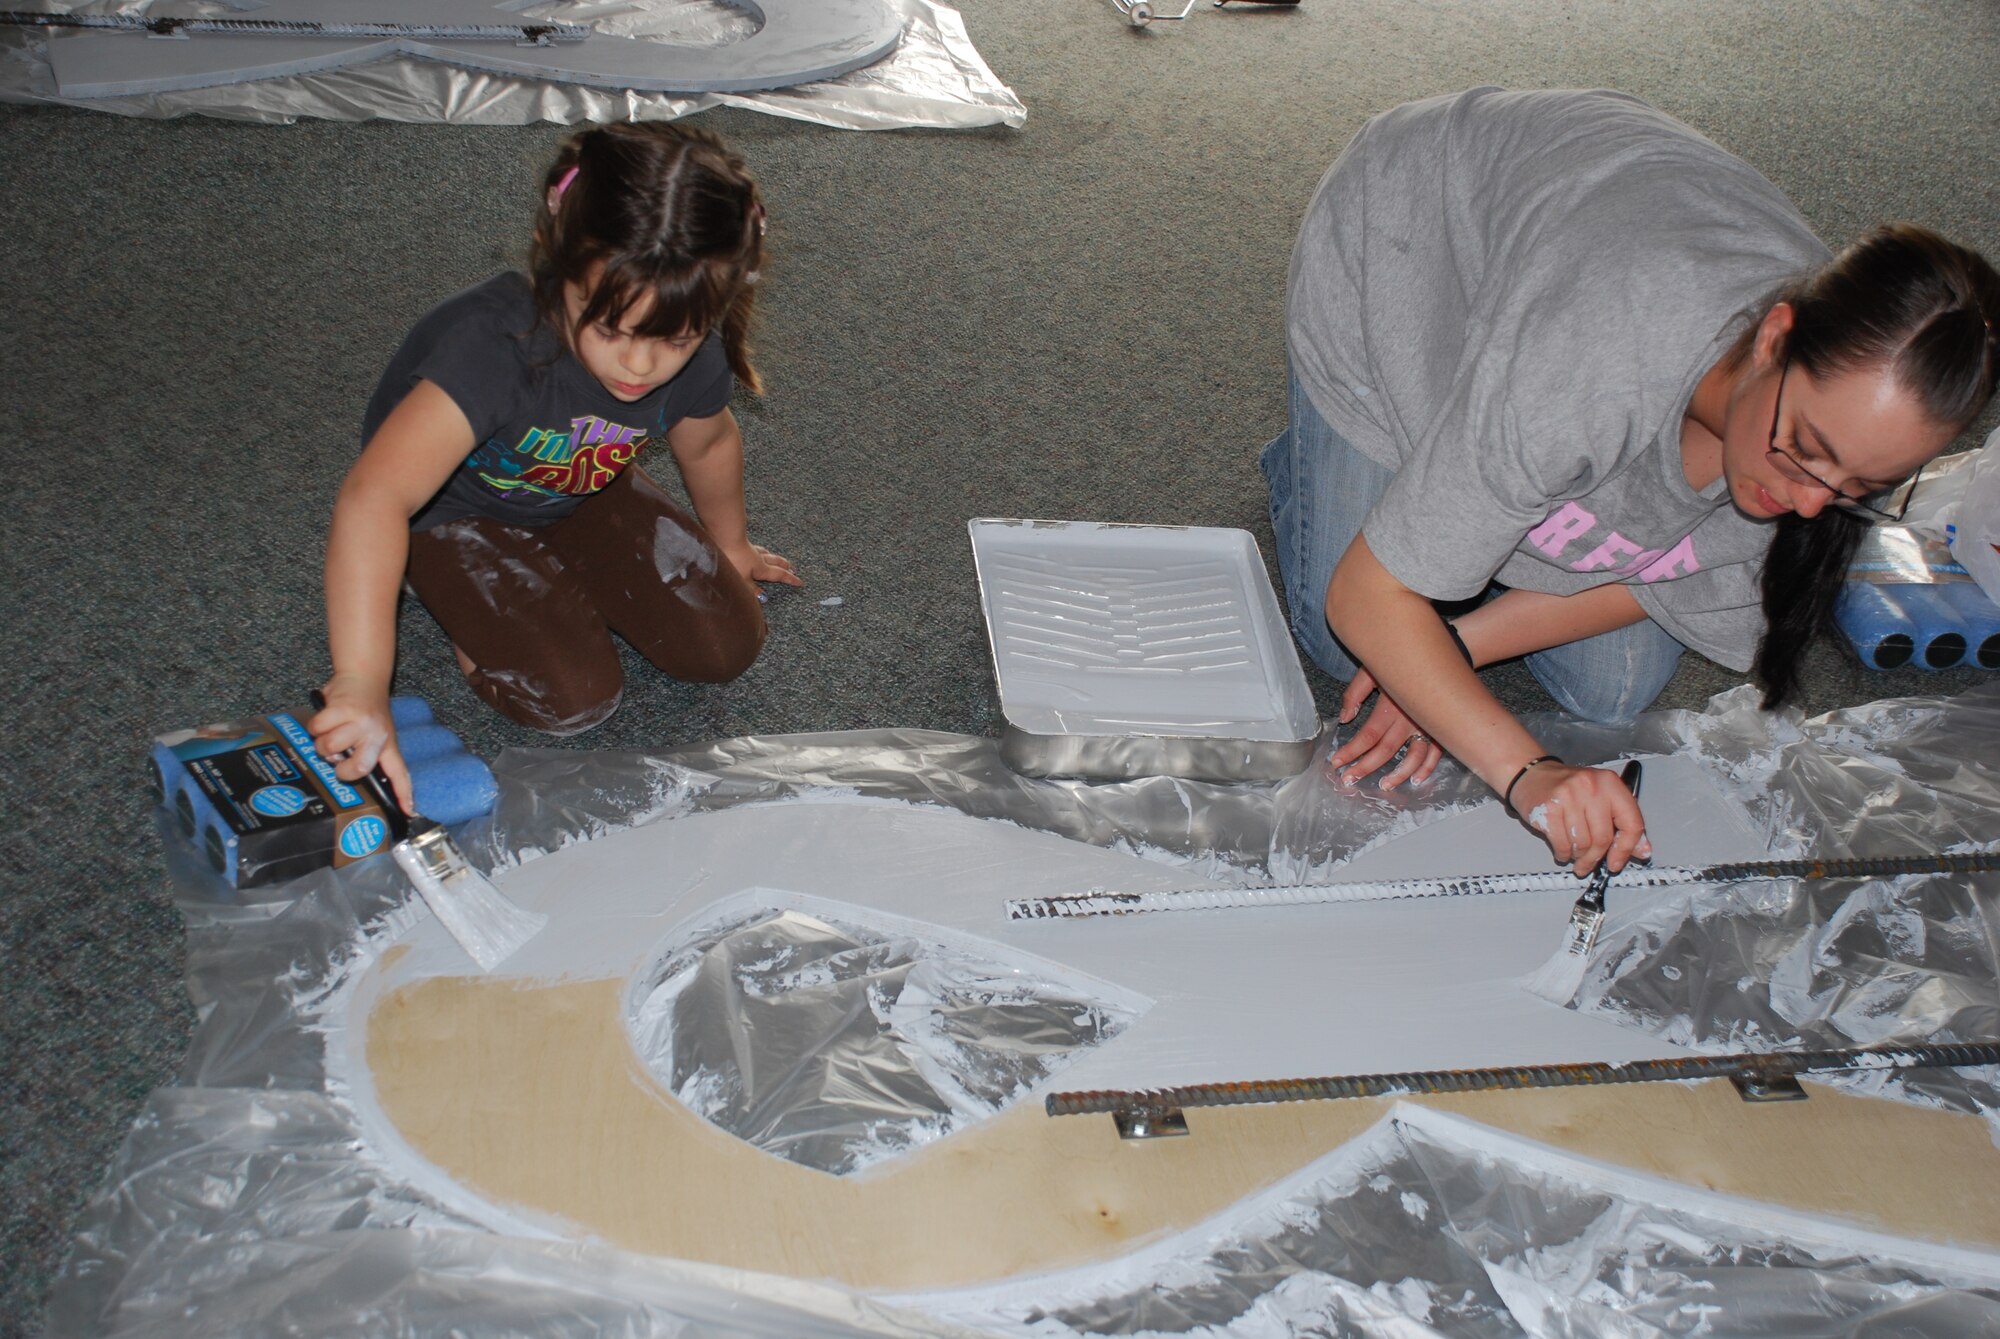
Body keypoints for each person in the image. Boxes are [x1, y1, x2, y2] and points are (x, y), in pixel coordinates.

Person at [1264, 87, 1999, 877]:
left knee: (1611, 686)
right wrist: (1528, 773)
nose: (1814, 500)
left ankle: (1459, 504)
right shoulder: (1597, 360)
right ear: (1774, 338)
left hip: (1567, 332)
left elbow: (1679, 573)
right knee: (1344, 641)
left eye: (1858, 484)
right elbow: (1362, 598)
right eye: (1801, 451)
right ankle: (1340, 462)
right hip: (1407, 254)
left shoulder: (1857, 432)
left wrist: (1447, 646)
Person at [310, 123, 800, 811]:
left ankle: (553, 564)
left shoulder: (691, 340)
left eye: (674, 340)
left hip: (578, 481)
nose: (638, 366)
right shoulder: (494, 347)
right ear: (554, 257)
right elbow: (374, 497)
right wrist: (361, 679)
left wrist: (732, 546)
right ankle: (460, 611)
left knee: (728, 643)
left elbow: (710, 444)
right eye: (608, 329)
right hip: (448, 513)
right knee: (574, 697)